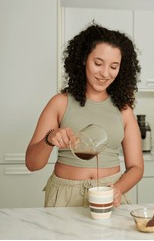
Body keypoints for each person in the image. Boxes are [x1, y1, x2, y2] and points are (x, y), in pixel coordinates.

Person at [26, 23, 144, 207]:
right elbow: (32, 164)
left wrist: (119, 188)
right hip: (65, 196)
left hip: (109, 195)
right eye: (98, 63)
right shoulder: (60, 103)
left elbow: (136, 167)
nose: (105, 73)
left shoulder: (124, 110)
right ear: (83, 59)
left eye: (114, 66)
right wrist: (49, 138)